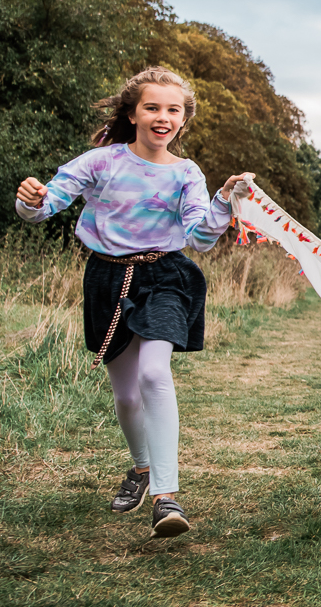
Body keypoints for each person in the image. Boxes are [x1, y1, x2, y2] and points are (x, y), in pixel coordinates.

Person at [15, 67, 253, 538]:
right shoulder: (100, 162)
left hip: (166, 275)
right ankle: (141, 468)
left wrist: (224, 199)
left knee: (152, 373)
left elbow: (201, 237)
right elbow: (44, 207)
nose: (162, 117)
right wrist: (30, 200)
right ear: (132, 113)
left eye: (173, 110)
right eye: (152, 107)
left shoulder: (187, 173)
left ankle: (166, 497)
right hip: (107, 277)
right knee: (126, 395)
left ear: (183, 120)